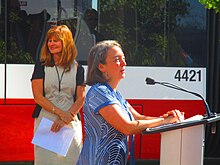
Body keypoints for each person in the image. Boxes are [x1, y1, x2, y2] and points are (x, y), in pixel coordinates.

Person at [76, 40, 184, 165]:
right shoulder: (100, 92)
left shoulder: (115, 94)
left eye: (124, 58)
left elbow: (139, 118)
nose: (124, 63)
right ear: (101, 66)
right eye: (117, 59)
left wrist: (168, 118)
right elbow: (127, 127)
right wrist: (165, 121)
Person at [31, 25, 85, 165]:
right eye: (49, 40)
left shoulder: (77, 67)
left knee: (70, 161)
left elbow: (81, 98)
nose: (51, 44)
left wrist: (64, 119)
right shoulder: (41, 65)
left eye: (56, 40)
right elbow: (38, 96)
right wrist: (61, 113)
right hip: (46, 121)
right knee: (46, 161)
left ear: (66, 42)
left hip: (70, 121)